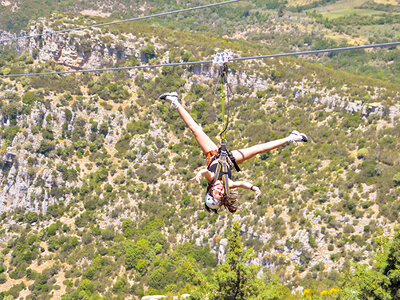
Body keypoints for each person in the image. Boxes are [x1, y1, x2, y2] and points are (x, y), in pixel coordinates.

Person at [159, 92, 308, 213]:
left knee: (196, 130)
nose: (218, 191)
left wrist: (199, 174)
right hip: (230, 159)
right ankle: (292, 137)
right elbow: (242, 183)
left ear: (210, 190)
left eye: (214, 193)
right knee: (258, 149)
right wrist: (254, 188)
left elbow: (206, 171)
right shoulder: (228, 184)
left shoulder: (212, 179)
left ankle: (175, 101)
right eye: (219, 194)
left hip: (213, 154)